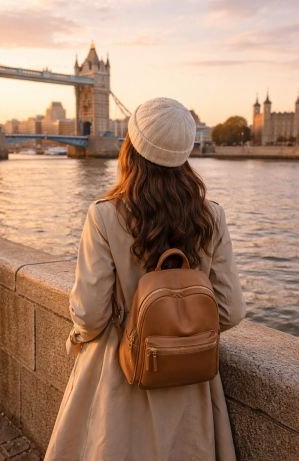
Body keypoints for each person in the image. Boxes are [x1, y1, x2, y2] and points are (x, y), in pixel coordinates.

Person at [44, 97, 246, 461]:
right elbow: (230, 312)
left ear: (130, 149)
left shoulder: (105, 216)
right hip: (190, 384)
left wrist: (77, 337)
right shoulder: (212, 217)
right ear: (186, 153)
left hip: (120, 375)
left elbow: (90, 316)